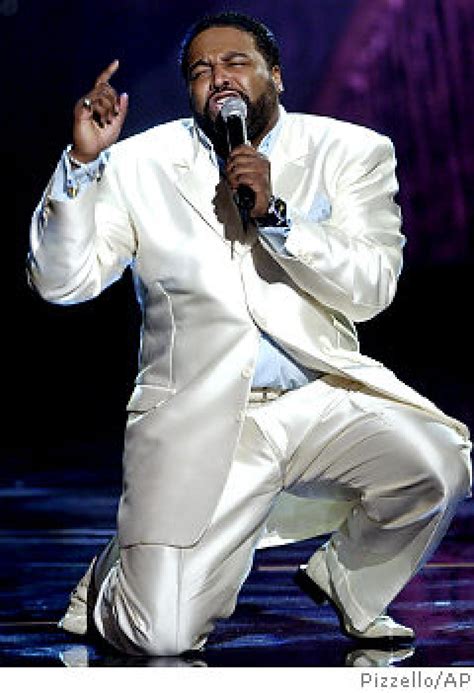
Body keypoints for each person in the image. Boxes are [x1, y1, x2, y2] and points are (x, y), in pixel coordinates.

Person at [28, 11, 471, 657]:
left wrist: (278, 219)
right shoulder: (136, 164)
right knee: (160, 638)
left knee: (436, 462)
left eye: (235, 62)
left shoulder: (351, 151)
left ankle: (351, 582)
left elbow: (372, 288)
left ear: (276, 76)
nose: (219, 79)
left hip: (319, 398)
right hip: (201, 415)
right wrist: (82, 164)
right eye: (201, 71)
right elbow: (61, 282)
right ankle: (113, 576)